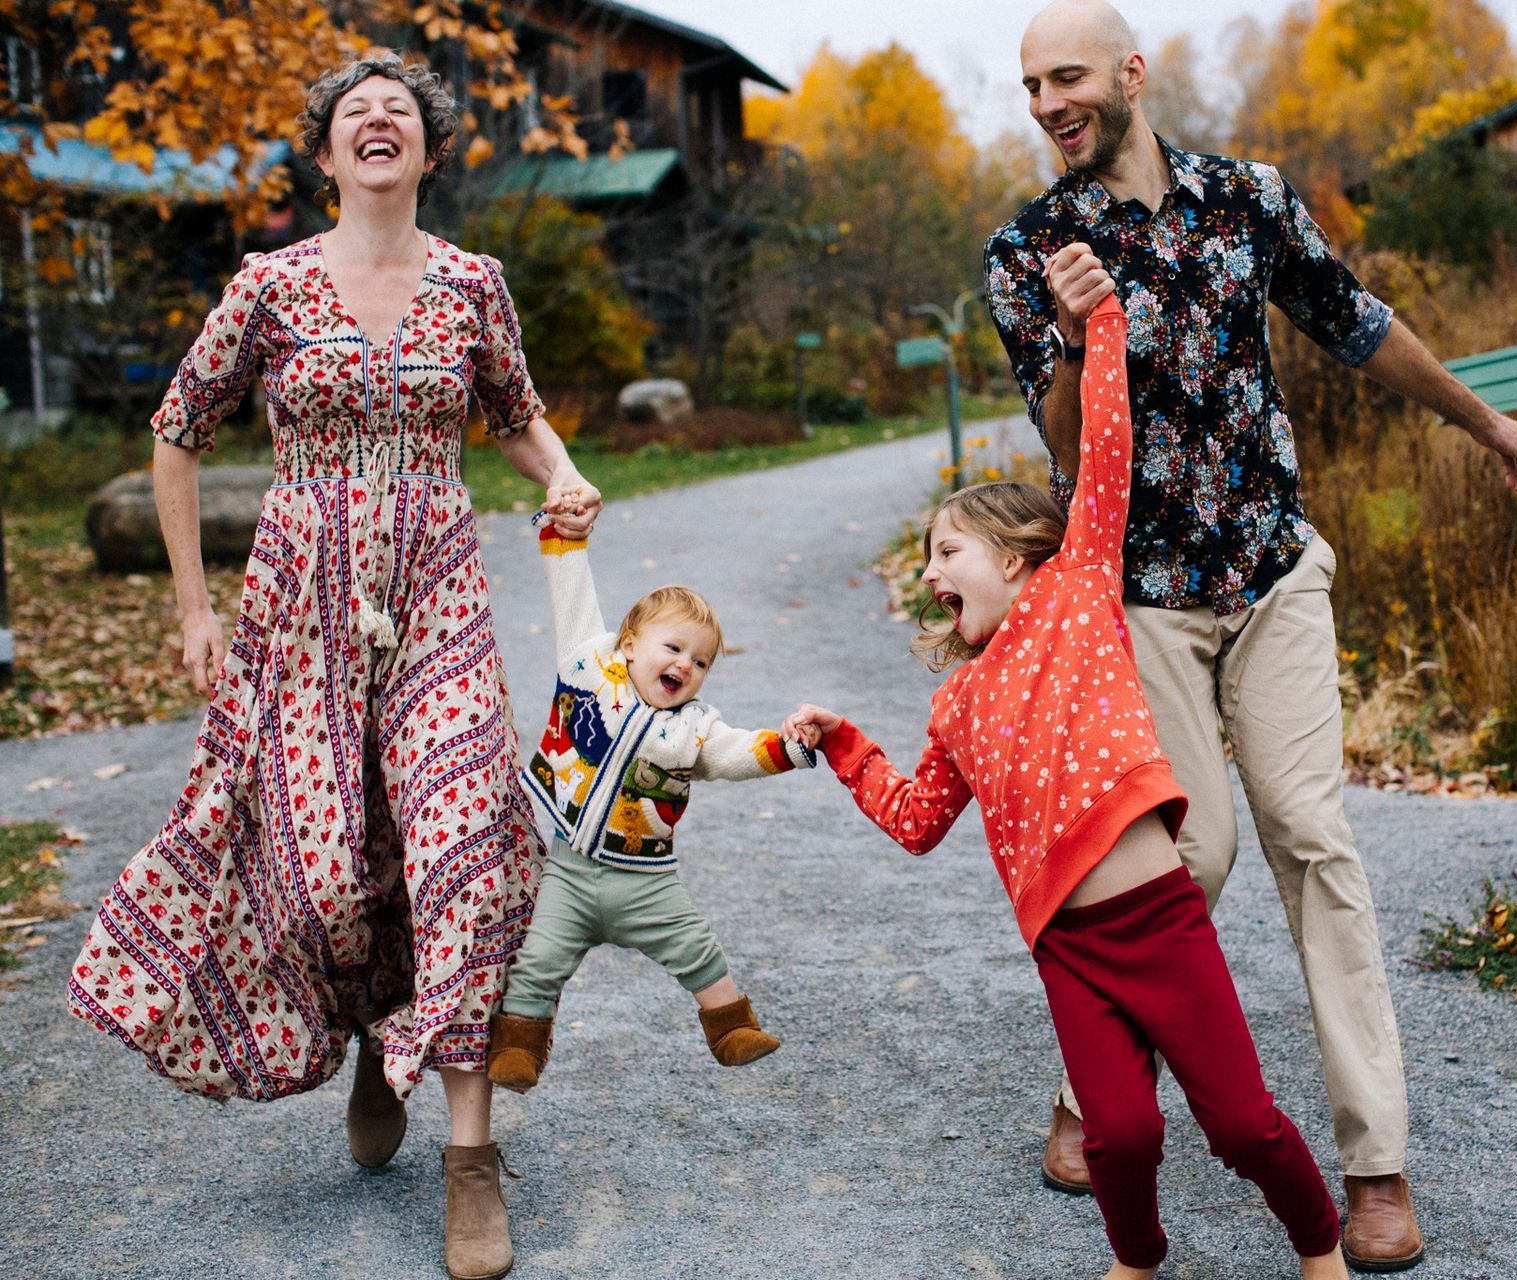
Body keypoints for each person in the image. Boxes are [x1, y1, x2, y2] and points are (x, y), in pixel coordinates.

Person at [983, 2, 1517, 1270]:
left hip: (1273, 569)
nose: (1046, 104)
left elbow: (1355, 320)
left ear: (1132, 75)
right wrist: (1086, 333)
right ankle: (1095, 1088)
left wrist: (1481, 423)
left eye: (1065, 77)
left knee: (1314, 835)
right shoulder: (1026, 250)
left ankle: (1376, 1161)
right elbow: (1071, 462)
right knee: (1191, 852)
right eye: (1029, 86)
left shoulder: (1246, 198)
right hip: (1141, 595)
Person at [64, 51, 600, 1280]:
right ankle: (377, 1030)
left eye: (397, 113)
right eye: (353, 115)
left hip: (437, 591)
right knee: (326, 875)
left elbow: (514, 415)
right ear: (324, 153)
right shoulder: (267, 286)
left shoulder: (472, 283)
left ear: (425, 149)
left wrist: (560, 471)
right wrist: (195, 608)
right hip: (295, 610)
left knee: (462, 836)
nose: (376, 123)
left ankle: (470, 1159)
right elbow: (176, 433)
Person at [785, 297, 1348, 1280]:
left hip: (1159, 919)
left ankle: (1320, 1244)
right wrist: (845, 745)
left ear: (1014, 555)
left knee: (1241, 1124)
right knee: (1118, 1135)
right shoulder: (956, 704)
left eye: (944, 551)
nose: (930, 575)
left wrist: (1098, 327)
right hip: (1071, 948)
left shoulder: (1075, 590)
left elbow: (1107, 449)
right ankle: (1138, 1260)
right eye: (925, 562)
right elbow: (917, 821)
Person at [485, 507, 815, 1092]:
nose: (686, 665)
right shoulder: (588, 667)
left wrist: (787, 747)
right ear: (630, 645)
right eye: (675, 647)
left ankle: (731, 1029)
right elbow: (572, 595)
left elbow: (734, 754)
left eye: (701, 661)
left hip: (646, 880)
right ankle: (518, 1048)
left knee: (697, 947)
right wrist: (564, 538)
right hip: (569, 870)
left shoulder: (693, 727)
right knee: (537, 962)